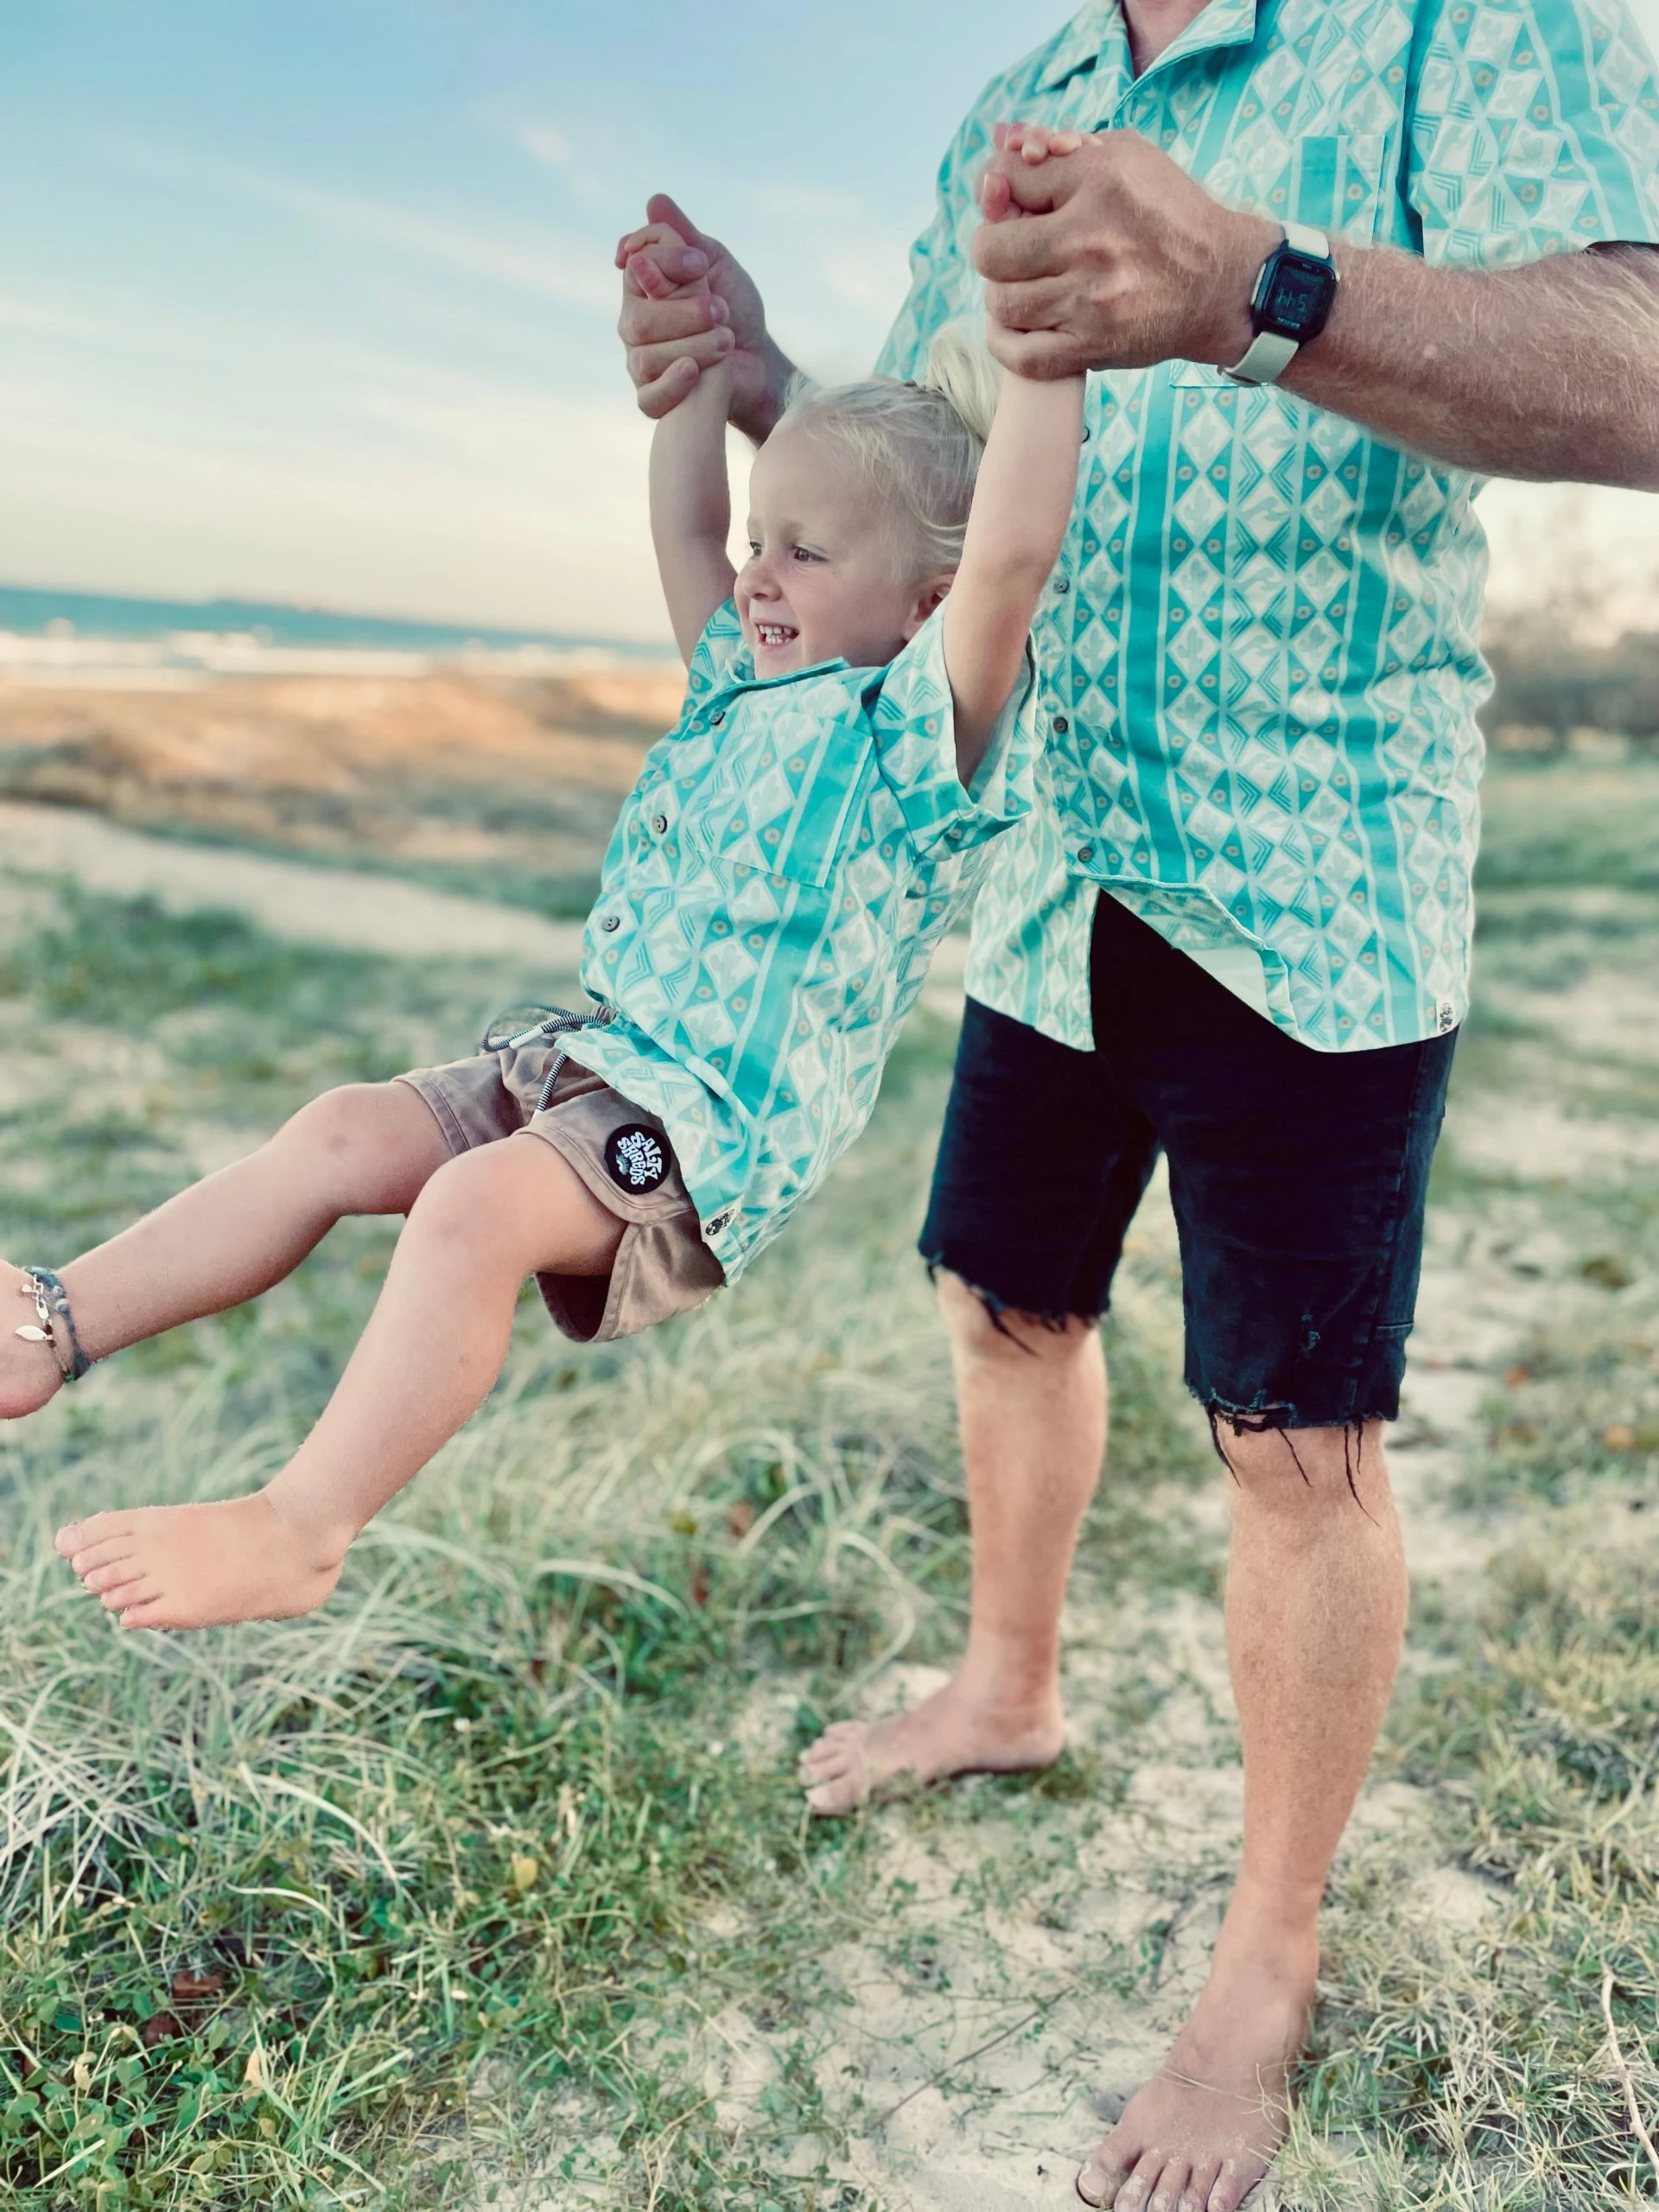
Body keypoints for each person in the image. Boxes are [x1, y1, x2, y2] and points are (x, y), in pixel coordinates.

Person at [615, 3, 1659, 2204]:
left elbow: (1643, 357)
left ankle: (1268, 1959)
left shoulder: (1461, 26)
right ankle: (1010, 1687)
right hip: (1041, 860)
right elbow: (930, 456)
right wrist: (763, 374)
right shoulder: (1021, 105)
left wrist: (1253, 284)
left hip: (1311, 869)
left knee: (1296, 1438)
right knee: (1004, 1301)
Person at [12, 154, 1086, 1641]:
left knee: (470, 1211)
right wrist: (693, 368)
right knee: (340, 1130)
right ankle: (53, 1322)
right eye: (762, 543)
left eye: (806, 551)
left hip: (707, 1131)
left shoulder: (918, 733)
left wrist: (1047, 342)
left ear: (926, 601)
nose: (758, 576)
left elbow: (1016, 546)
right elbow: (687, 533)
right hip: (589, 1062)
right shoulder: (739, 682)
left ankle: (302, 1528)